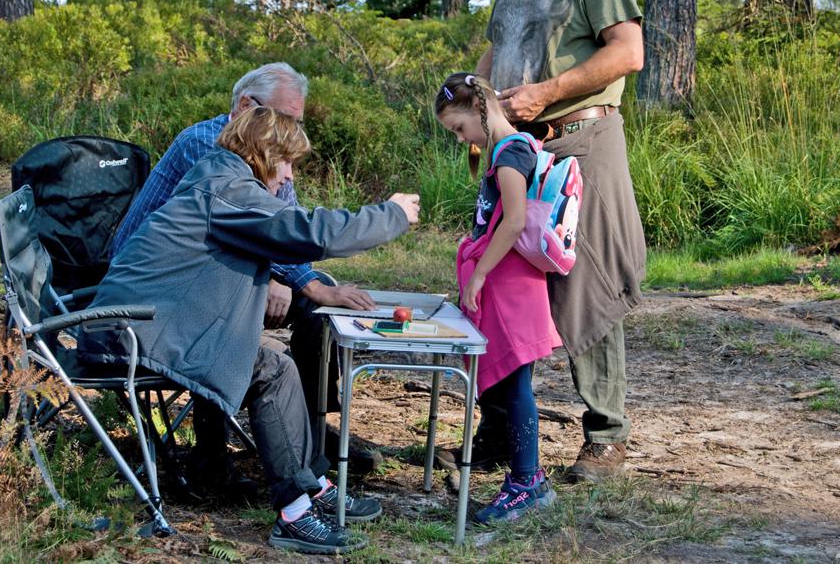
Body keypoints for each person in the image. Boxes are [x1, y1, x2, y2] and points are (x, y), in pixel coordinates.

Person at [82, 107, 421, 554]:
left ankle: (312, 486)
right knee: (272, 370)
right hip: (131, 335)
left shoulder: (219, 179)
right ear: (265, 152)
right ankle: (296, 513)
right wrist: (390, 214)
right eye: (287, 163)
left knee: (271, 364)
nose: (288, 176)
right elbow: (306, 232)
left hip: (147, 325)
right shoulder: (227, 190)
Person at [437, 0, 646, 484]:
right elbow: (500, 47)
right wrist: (477, 109)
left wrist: (548, 91)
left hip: (582, 137)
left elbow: (628, 51)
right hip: (516, 145)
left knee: (588, 280)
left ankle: (606, 437)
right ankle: (502, 430)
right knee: (499, 277)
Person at [112, 62, 381, 471]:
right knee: (245, 309)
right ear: (245, 106)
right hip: (167, 290)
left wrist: (295, 279)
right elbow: (262, 226)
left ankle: (309, 433)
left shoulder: (268, 148)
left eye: (299, 121)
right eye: (285, 119)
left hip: (212, 270)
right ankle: (212, 457)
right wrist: (286, 278)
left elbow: (282, 222)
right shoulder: (212, 146)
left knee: (317, 312)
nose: (294, 131)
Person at [435, 72, 563, 525]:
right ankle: (528, 477)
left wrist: (479, 275)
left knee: (515, 384)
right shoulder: (506, 150)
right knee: (510, 383)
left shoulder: (511, 152)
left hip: (509, 284)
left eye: (459, 128)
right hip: (506, 283)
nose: (460, 138)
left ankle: (527, 482)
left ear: (479, 110)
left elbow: (512, 222)